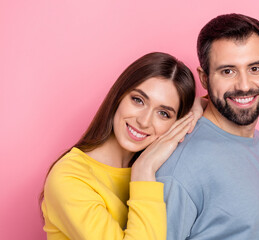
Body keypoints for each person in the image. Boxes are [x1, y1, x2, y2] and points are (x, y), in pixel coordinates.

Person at [40, 52, 202, 240]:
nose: (144, 121)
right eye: (138, 100)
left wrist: (196, 108)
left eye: (163, 113)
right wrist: (144, 170)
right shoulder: (69, 178)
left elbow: (219, 100)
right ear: (119, 96)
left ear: (176, 123)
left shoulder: (164, 166)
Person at [156, 14, 259, 239]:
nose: (244, 85)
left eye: (255, 68)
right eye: (228, 71)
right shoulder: (181, 166)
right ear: (204, 78)